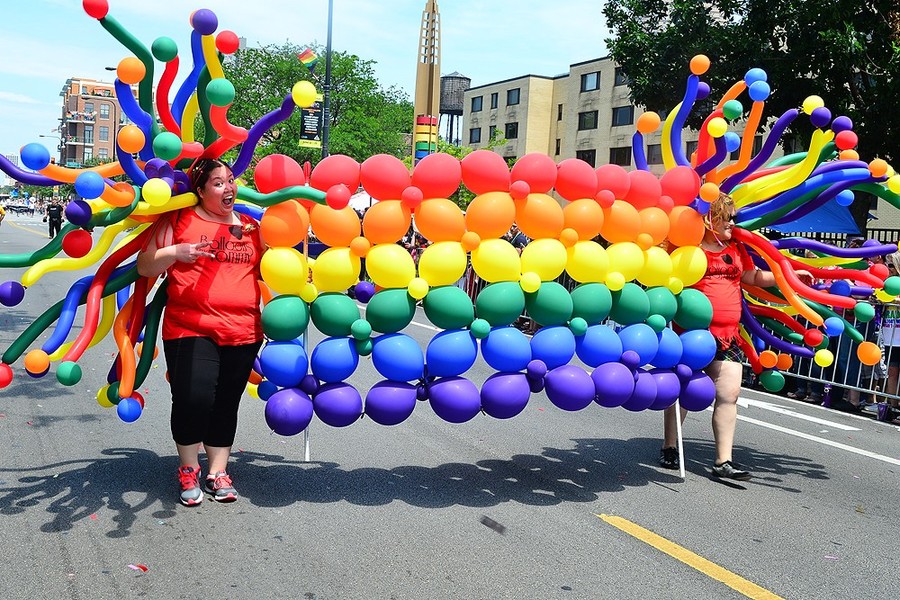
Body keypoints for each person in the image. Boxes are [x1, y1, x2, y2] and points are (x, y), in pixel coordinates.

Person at [137, 158, 264, 506]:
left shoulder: (251, 226)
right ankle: (189, 467)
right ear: (201, 190)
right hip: (190, 327)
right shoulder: (179, 220)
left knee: (226, 402)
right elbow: (145, 265)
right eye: (218, 182)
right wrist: (175, 252)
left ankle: (218, 472)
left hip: (244, 329)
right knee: (194, 398)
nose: (229, 187)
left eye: (231, 180)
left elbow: (270, 269)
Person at [659, 192, 810, 480]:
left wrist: (789, 277)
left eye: (733, 218)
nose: (732, 223)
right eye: (726, 218)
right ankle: (670, 445)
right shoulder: (687, 248)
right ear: (709, 219)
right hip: (692, 332)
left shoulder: (736, 247)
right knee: (684, 390)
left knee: (729, 394)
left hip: (729, 335)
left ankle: (723, 461)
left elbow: (751, 278)